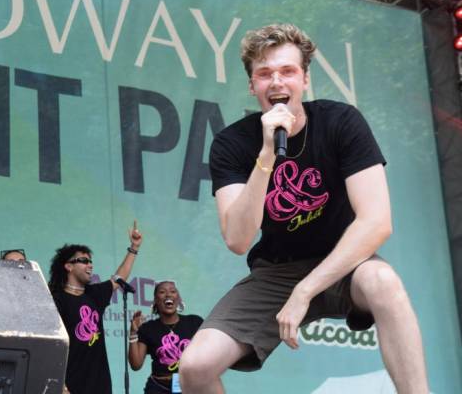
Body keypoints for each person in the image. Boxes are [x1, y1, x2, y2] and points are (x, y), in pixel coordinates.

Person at [178, 24, 428, 394]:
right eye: (264, 74)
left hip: (346, 263)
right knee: (195, 368)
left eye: (287, 71)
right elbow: (237, 238)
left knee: (384, 281)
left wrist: (306, 290)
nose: (276, 82)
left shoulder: (341, 122)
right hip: (276, 272)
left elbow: (376, 222)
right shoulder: (232, 144)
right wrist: (265, 155)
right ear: (252, 86)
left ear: (305, 79)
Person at [49, 221, 143, 394]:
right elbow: (52, 347)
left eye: (90, 261)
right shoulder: (56, 300)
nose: (90, 265)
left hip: (99, 384)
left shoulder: (94, 294)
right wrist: (60, 384)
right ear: (68, 266)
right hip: (70, 384)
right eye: (83, 261)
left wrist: (134, 247)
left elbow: (119, 277)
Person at [128, 280, 203, 394]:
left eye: (173, 291)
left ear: (178, 299)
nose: (168, 294)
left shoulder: (194, 322)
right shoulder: (148, 328)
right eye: (162, 292)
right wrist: (133, 333)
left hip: (190, 387)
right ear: (155, 301)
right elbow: (136, 365)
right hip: (158, 388)